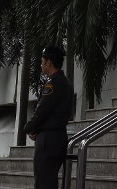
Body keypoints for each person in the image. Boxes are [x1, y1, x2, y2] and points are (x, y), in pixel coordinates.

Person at [24, 45, 73, 189]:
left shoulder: (53, 84)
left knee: (43, 182)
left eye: (42, 61)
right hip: (59, 136)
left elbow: (42, 111)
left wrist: (28, 128)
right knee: (49, 181)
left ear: (49, 62)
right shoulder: (66, 83)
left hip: (48, 140)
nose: (41, 65)